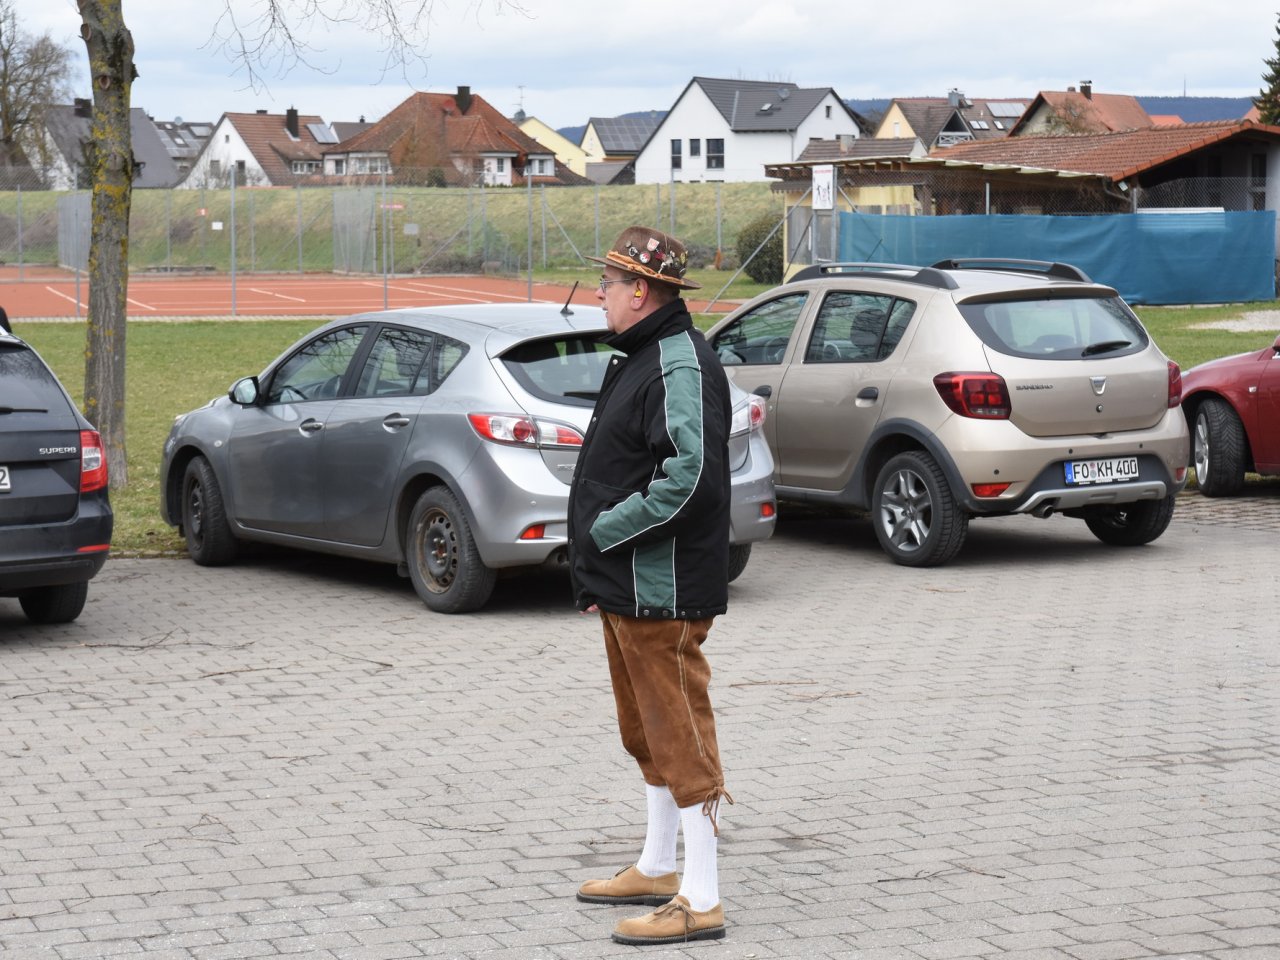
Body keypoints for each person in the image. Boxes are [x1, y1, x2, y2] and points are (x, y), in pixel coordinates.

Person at [567, 226, 734, 946]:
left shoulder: (678, 363)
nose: (598, 294)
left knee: (680, 733)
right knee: (646, 732)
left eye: (607, 283)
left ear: (641, 291)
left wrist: (605, 531)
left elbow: (689, 477)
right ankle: (659, 865)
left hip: (659, 585)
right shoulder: (640, 355)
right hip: (626, 583)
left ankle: (701, 898)